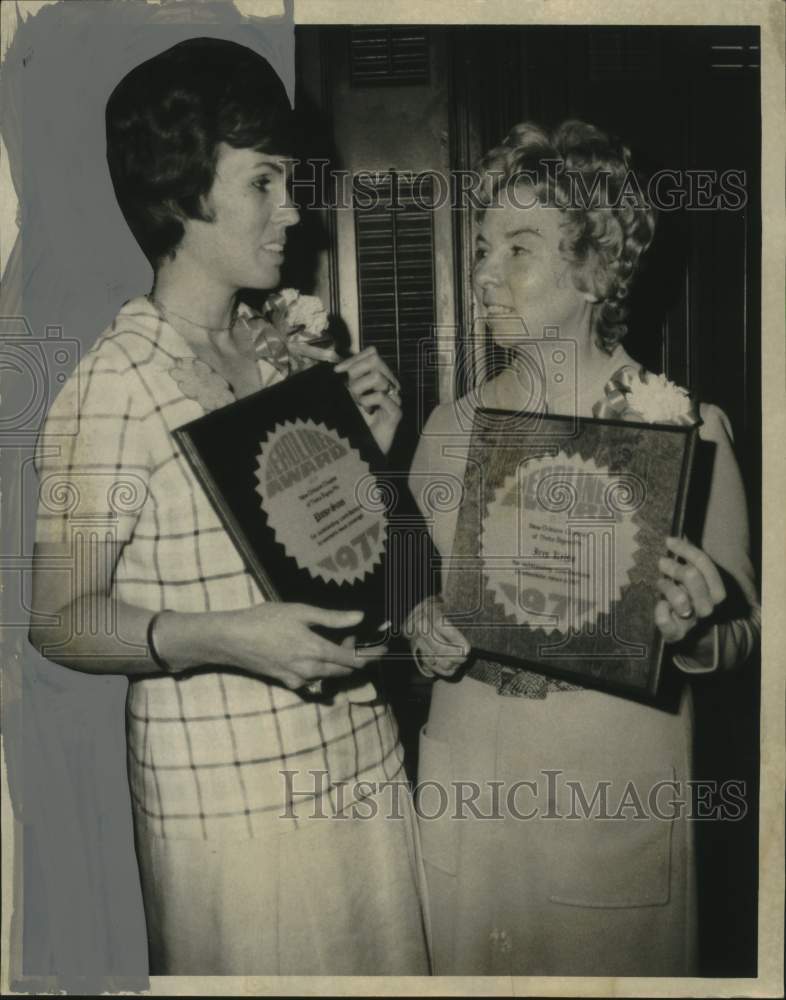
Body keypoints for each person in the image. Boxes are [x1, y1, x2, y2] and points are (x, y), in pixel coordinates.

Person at [29, 37, 429, 976]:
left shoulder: (292, 348)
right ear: (184, 191)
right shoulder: (114, 385)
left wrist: (377, 457)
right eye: (265, 182)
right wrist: (228, 637)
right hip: (233, 810)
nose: (295, 209)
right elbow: (56, 619)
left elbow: (359, 565)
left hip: (364, 766)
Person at [407, 120, 760, 976]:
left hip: (603, 810)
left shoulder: (683, 429)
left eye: (519, 248)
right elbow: (415, 600)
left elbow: (745, 631)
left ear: (597, 268)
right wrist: (420, 626)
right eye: (483, 246)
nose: (486, 272)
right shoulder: (448, 429)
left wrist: (698, 630)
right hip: (466, 812)